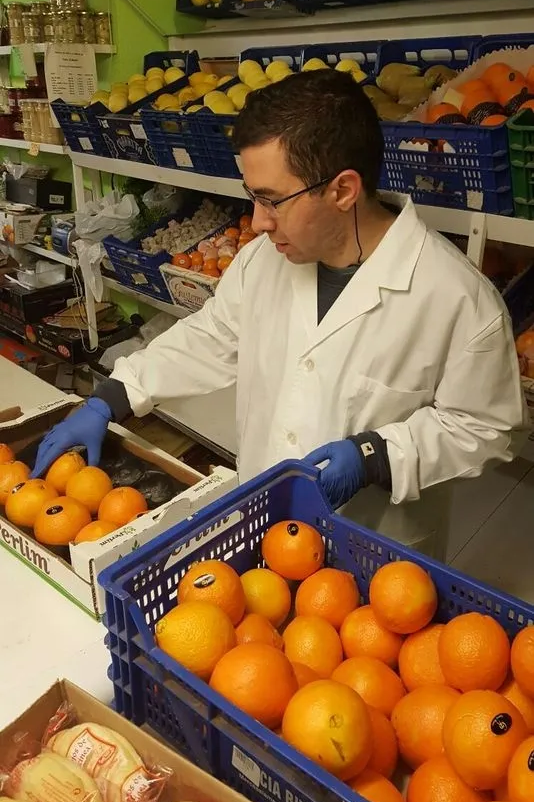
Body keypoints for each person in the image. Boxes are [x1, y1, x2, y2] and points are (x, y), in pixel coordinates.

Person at [32, 70, 528, 559]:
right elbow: (210, 336)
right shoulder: (261, 263)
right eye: (253, 197)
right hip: (261, 524)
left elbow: (485, 426)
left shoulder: (457, 297)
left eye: (272, 201)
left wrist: (378, 456)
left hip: (376, 555)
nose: (258, 222)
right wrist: (115, 396)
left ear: (343, 190)